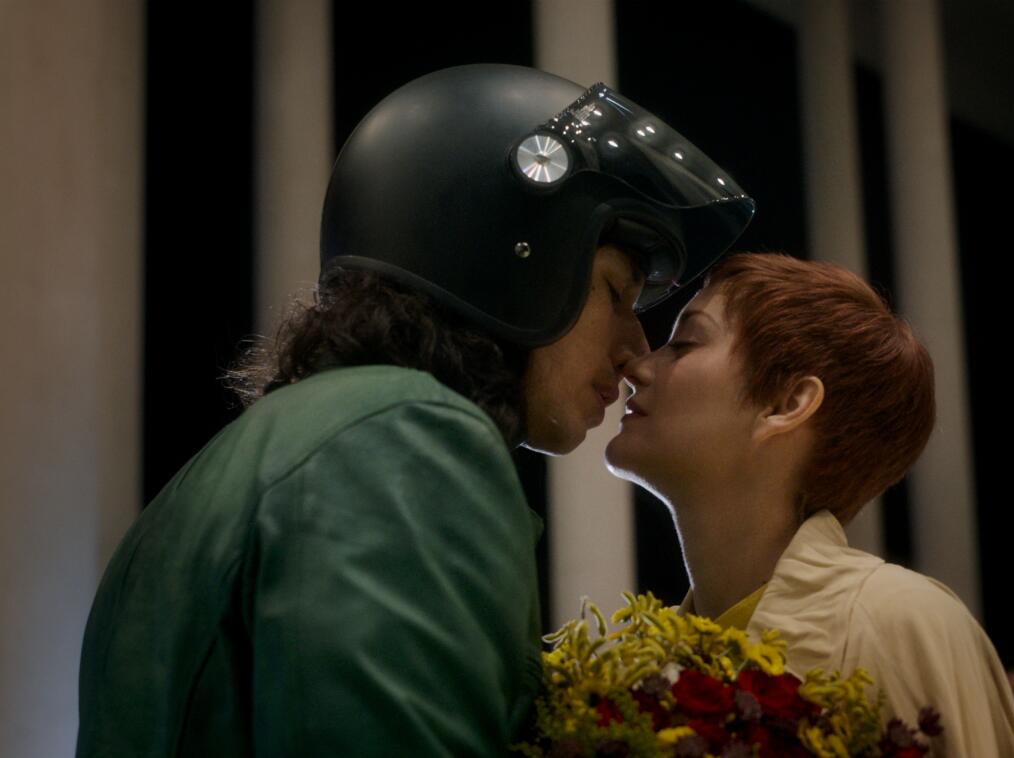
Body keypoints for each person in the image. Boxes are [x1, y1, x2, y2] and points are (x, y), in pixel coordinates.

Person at [76, 64, 753, 756]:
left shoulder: (261, 458)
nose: (635, 350)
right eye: (616, 293)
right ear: (515, 255)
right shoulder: (404, 439)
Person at [605, 253, 1014, 756]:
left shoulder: (901, 622)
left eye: (685, 343)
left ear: (787, 405)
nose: (637, 366)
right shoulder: (642, 663)